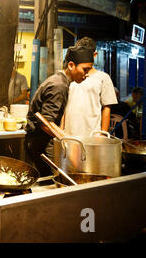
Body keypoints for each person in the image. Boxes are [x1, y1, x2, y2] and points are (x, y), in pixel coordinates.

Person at [24, 45, 94, 176]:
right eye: (85, 69)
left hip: (38, 142)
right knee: (52, 182)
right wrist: (67, 140)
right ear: (71, 65)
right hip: (40, 144)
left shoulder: (60, 81)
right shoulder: (59, 85)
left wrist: (63, 135)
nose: (87, 74)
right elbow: (45, 122)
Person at [63, 37, 117, 136]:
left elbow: (107, 108)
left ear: (95, 55)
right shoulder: (71, 77)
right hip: (69, 133)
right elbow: (64, 105)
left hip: (92, 134)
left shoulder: (103, 78)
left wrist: (103, 134)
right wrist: (61, 129)